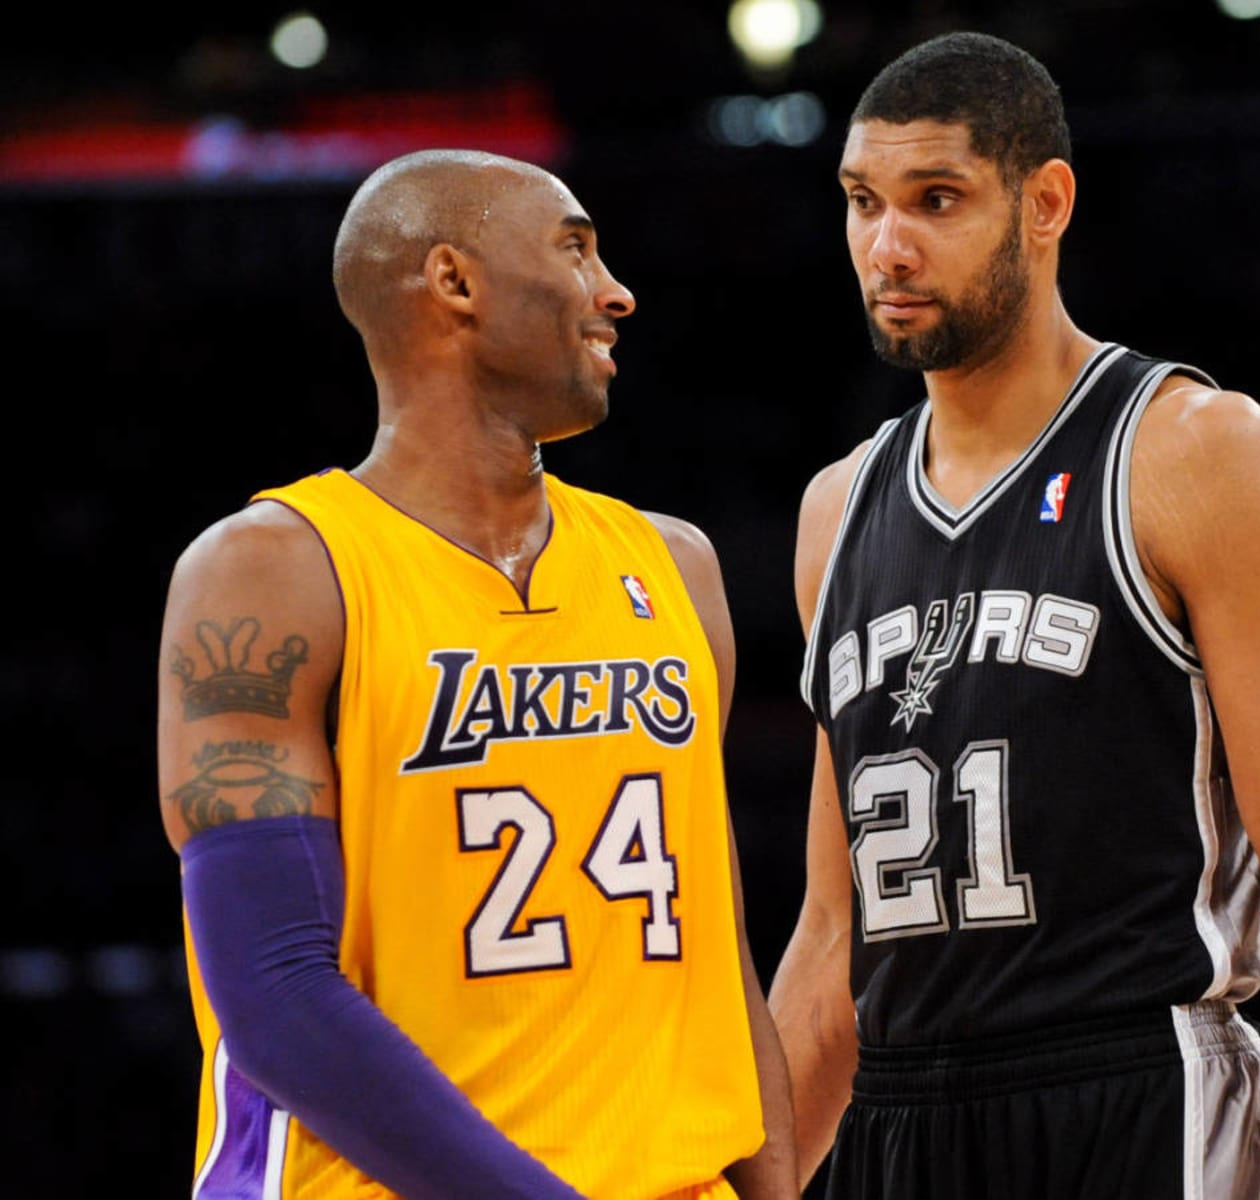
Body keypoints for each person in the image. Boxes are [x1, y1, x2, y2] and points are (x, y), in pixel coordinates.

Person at [767, 30, 1260, 1200]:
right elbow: (828, 939)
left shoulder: (1191, 452)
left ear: (1043, 202)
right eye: (861, 203)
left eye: (935, 200)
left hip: (1138, 1087)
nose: (886, 247)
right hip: (901, 1121)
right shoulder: (835, 511)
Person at [156, 148, 798, 1200]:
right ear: (454, 281)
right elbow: (273, 996)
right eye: (575, 248)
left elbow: (717, 962)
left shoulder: (675, 567)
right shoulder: (273, 569)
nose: (614, 291)